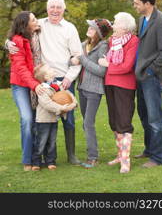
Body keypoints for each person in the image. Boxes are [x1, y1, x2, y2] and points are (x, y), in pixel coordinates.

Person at [6, 0, 82, 165]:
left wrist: (69, 78)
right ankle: (42, 157)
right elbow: (19, 31)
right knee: (41, 118)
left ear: (64, 9)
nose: (55, 10)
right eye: (52, 7)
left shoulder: (70, 29)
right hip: (43, 79)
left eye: (58, 7)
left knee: (68, 117)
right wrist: (7, 42)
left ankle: (71, 155)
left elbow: (78, 56)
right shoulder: (39, 24)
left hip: (64, 79)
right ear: (47, 9)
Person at [133, 0, 162, 168]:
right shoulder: (141, 19)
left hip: (152, 77)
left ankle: (157, 157)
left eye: (137, 3)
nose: (135, 6)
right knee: (144, 115)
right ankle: (149, 150)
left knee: (155, 118)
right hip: (140, 76)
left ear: (147, 3)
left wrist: (150, 71)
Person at [99, 12, 139, 173]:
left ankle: (125, 160)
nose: (113, 26)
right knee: (114, 122)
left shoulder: (133, 41)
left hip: (125, 85)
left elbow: (127, 66)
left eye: (115, 23)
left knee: (124, 123)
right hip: (109, 83)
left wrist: (108, 64)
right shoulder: (112, 41)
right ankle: (120, 154)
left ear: (124, 26)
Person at [71, 19, 112, 168]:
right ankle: (92, 151)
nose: (89, 29)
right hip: (81, 88)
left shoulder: (103, 46)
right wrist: (73, 60)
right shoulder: (83, 45)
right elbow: (73, 60)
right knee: (85, 123)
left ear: (99, 33)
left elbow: (101, 71)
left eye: (92, 28)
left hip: (94, 89)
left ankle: (92, 156)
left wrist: (82, 59)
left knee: (88, 123)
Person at [7, 11, 44, 171]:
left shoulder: (37, 33)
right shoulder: (17, 41)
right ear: (25, 24)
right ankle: (26, 159)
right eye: (34, 19)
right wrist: (34, 85)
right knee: (27, 119)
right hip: (21, 85)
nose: (37, 21)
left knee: (36, 121)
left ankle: (36, 159)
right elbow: (21, 69)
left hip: (36, 82)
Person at [32, 63, 77, 171]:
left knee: (52, 141)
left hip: (53, 119)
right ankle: (36, 162)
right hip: (43, 120)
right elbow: (48, 104)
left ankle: (50, 161)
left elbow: (68, 94)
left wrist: (74, 103)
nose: (52, 69)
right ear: (46, 77)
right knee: (41, 141)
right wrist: (62, 108)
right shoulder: (43, 89)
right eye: (49, 69)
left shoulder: (58, 84)